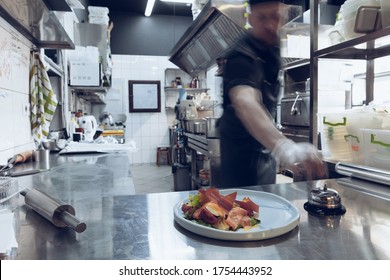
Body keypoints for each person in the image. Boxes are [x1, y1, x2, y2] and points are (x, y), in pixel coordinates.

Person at [218, 0, 328, 188]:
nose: (270, 25)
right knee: (241, 212)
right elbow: (245, 102)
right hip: (240, 160)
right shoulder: (241, 55)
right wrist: (284, 147)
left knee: (266, 208)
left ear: (285, 14)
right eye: (262, 17)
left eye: (275, 16)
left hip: (263, 153)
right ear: (250, 17)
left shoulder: (271, 50)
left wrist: (276, 147)